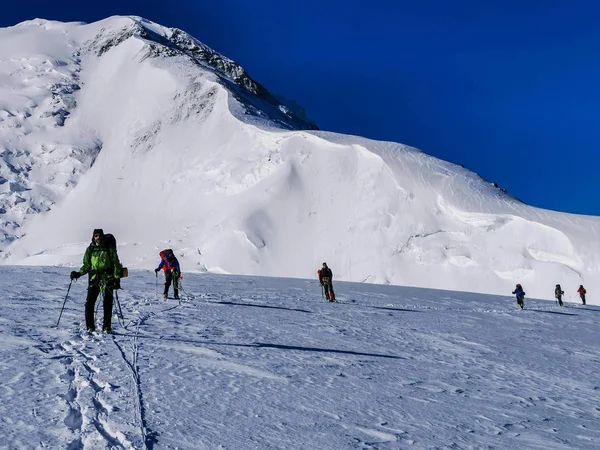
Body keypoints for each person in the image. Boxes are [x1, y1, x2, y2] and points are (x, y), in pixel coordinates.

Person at [70, 229, 122, 334]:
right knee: (89, 303)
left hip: (108, 278)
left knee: (107, 303)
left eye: (98, 236)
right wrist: (78, 273)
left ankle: (107, 327)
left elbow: (116, 264)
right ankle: (90, 326)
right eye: (95, 236)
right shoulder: (90, 249)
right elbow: (87, 265)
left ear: (102, 236)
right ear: (93, 237)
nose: (97, 238)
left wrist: (116, 279)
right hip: (94, 279)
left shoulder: (109, 248)